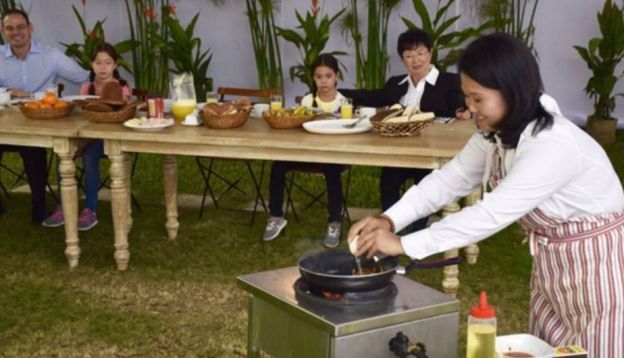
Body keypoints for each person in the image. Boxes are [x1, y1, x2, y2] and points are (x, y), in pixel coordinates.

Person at [348, 33, 624, 356]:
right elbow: (448, 180)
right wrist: (389, 220)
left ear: (511, 91)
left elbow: (490, 214)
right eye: (467, 97)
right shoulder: (495, 132)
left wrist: (404, 244)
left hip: (599, 268)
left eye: (478, 99)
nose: (470, 108)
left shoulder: (551, 145)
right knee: (551, 349)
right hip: (553, 264)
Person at [341, 28, 469, 232]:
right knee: (387, 183)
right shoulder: (396, 84)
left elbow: (460, 102)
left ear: (430, 53)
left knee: (424, 187)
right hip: (399, 152)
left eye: (420, 53)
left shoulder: (450, 82)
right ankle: (393, 228)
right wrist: (337, 93)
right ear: (403, 59)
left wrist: (463, 110)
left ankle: (416, 233)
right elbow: (373, 97)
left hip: (431, 153)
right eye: (408, 55)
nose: (415, 60)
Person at [0, 8, 88, 223]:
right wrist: (8, 92)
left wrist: (31, 95)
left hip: (36, 124)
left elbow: (84, 78)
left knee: (32, 149)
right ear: (3, 31)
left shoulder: (51, 56)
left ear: (30, 28)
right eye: (9, 28)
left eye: (20, 27)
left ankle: (39, 204)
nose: (16, 32)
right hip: (5, 126)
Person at [42, 43, 131, 231]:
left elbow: (120, 117)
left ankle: (90, 209)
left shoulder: (121, 88)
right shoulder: (87, 87)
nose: (103, 67)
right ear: (91, 65)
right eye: (98, 62)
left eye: (108, 62)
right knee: (64, 152)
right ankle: (64, 206)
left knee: (90, 156)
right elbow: (83, 116)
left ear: (115, 65)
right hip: (87, 134)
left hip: (110, 137)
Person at [264, 54, 347, 248]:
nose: (324, 81)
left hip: (333, 155)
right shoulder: (308, 101)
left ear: (336, 76)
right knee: (278, 166)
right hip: (307, 153)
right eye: (319, 77)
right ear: (313, 78)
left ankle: (334, 221)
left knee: (333, 170)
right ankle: (275, 215)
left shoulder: (344, 103)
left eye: (328, 76)